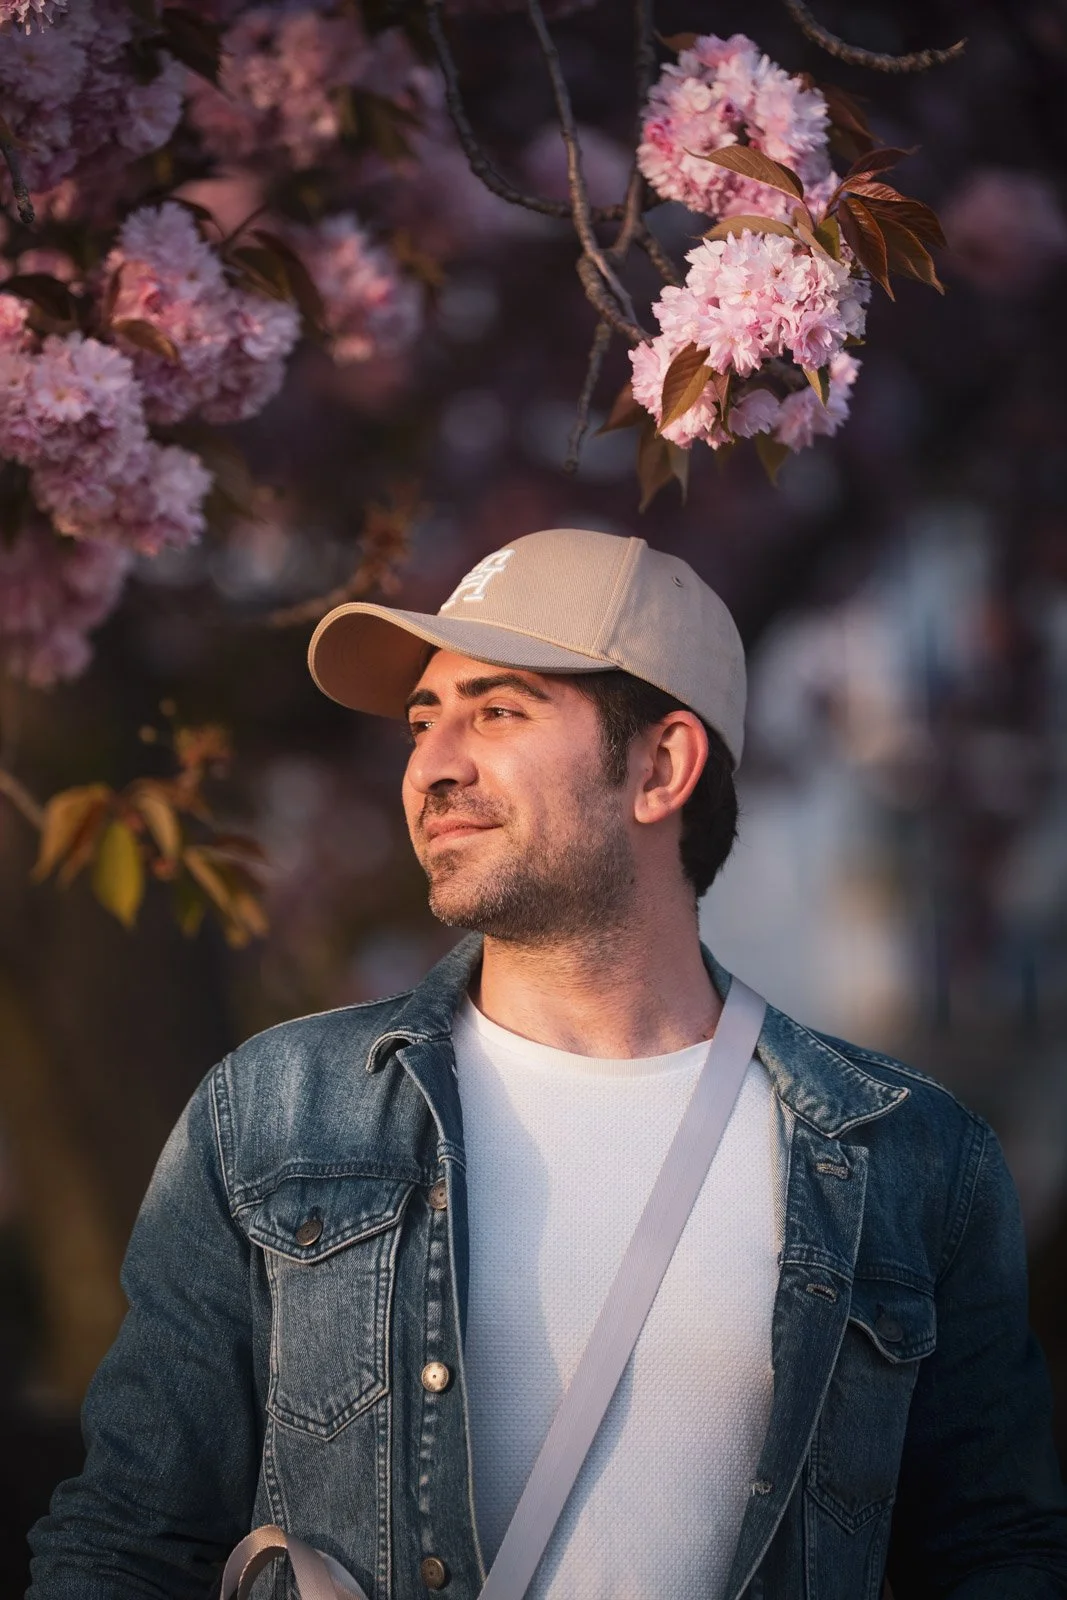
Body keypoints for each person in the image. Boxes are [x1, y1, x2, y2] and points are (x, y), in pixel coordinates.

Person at [28, 526, 1067, 1599]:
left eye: (498, 709)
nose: (433, 763)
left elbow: (994, 1557)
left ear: (660, 767)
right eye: (421, 720)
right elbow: (128, 1544)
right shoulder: (275, 1115)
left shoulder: (911, 1160)